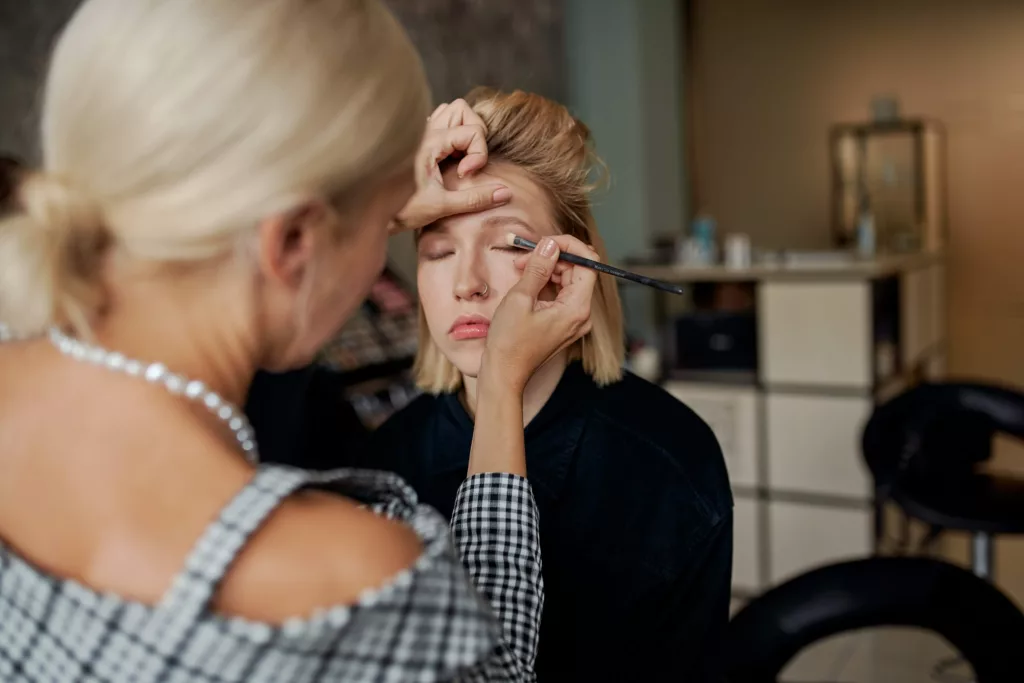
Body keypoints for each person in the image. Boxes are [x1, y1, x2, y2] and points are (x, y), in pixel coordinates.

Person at [0, 1, 600, 681]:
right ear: (291, 241)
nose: (391, 251)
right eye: (392, 230)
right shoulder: (349, 580)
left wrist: (367, 206)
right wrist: (499, 387)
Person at [358, 88, 735, 682]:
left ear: (573, 266)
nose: (467, 283)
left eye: (510, 243)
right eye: (437, 250)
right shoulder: (382, 471)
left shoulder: (670, 461)